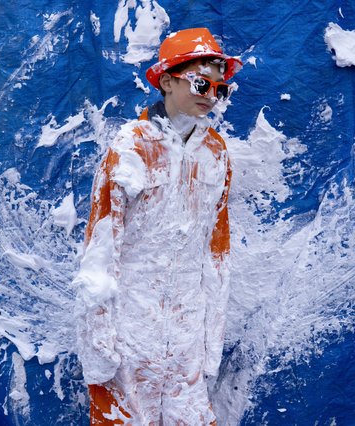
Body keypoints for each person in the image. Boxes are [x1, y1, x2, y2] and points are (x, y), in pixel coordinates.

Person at [73, 27, 243, 425]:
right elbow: (99, 247)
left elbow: (217, 253)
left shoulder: (217, 153)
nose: (211, 95)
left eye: (221, 90)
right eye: (202, 82)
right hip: (130, 328)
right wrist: (101, 345)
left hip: (186, 334)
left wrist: (209, 344)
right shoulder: (131, 146)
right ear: (167, 81)